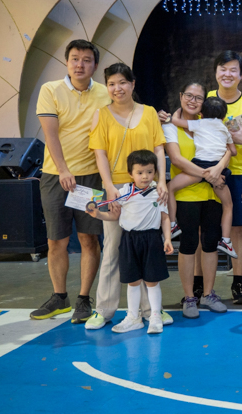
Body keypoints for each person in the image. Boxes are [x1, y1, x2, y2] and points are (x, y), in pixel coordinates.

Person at [85, 63, 170, 330]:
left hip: (147, 187)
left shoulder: (149, 113)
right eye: (111, 83)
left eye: (122, 82)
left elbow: (158, 149)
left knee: (145, 245)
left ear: (132, 84)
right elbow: (99, 153)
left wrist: (161, 181)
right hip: (118, 188)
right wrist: (109, 186)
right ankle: (103, 309)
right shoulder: (101, 114)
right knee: (112, 248)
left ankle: (149, 311)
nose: (117, 88)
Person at [31, 40, 110, 323]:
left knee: (89, 239)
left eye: (86, 60)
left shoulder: (105, 93)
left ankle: (83, 299)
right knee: (56, 241)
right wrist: (64, 170)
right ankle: (59, 297)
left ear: (95, 66)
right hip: (56, 176)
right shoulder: (50, 90)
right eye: (75, 59)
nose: (80, 64)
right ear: (67, 62)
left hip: (92, 178)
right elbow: (50, 134)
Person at [160, 82, 229, 318]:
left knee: (210, 244)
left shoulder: (212, 125)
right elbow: (177, 160)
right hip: (188, 195)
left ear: (204, 103)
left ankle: (208, 294)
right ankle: (190, 298)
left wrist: (219, 168)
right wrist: (208, 175)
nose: (192, 100)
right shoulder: (170, 125)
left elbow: (229, 149)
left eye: (198, 98)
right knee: (189, 245)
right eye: (188, 95)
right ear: (180, 95)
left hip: (212, 193)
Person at [86, 150, 173, 334]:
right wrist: (98, 214)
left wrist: (167, 239)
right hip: (129, 240)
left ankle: (155, 316)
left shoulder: (159, 192)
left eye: (149, 172)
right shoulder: (124, 192)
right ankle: (134, 317)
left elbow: (165, 218)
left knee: (152, 281)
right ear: (130, 174)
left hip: (151, 239)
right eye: (140, 173)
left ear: (155, 172)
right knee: (132, 281)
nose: (145, 176)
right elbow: (114, 215)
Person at [207, 51, 242, 304]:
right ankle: (202, 285)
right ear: (216, 72)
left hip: (237, 174)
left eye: (232, 70)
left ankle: (238, 283)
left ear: (241, 75)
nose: (227, 74)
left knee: (237, 232)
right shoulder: (203, 99)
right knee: (203, 230)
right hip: (205, 173)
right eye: (222, 68)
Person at [169, 97, 237, 258]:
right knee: (228, 205)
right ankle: (226, 241)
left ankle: (172, 225)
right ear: (223, 116)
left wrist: (178, 110)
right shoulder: (224, 127)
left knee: (170, 187)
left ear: (201, 113)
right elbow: (233, 151)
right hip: (218, 171)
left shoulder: (198, 123)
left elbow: (175, 121)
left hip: (199, 168)